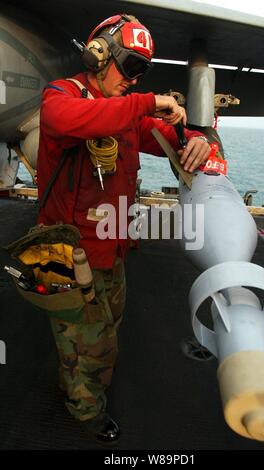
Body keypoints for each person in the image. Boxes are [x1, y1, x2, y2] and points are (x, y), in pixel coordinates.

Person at [37, 13, 211, 444]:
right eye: (130, 66)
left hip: (112, 253)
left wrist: (195, 137)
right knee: (87, 345)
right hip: (67, 255)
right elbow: (68, 120)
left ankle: (78, 386)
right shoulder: (62, 95)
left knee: (102, 338)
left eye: (142, 71)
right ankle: (85, 417)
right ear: (99, 56)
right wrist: (151, 102)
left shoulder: (128, 112)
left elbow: (169, 138)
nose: (134, 79)